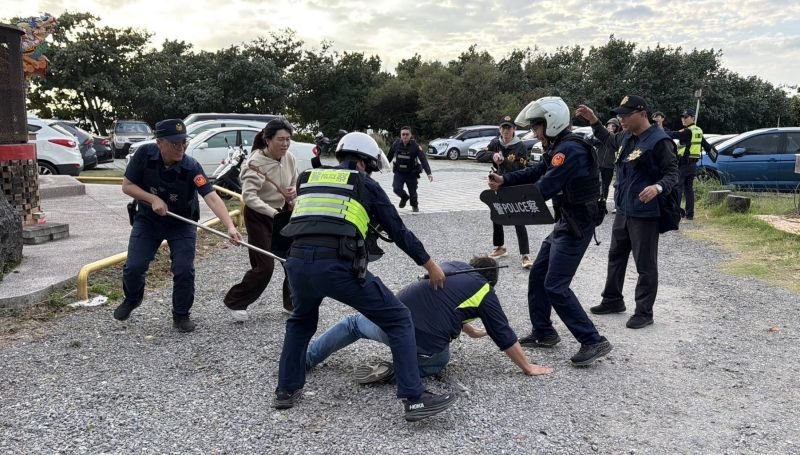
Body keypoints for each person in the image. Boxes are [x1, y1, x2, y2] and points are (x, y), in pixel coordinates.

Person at [274, 132, 457, 422]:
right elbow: (397, 231)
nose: (370, 172)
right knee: (398, 318)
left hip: (296, 264)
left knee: (301, 321)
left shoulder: (308, 179)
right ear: (361, 162)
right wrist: (429, 264)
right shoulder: (363, 183)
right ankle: (414, 397)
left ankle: (285, 390)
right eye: (370, 166)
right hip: (336, 267)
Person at [487, 97, 612, 367]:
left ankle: (592, 340)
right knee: (539, 275)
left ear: (551, 123)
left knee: (555, 286)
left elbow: (544, 186)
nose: (534, 132)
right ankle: (544, 332)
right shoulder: (559, 146)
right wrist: (505, 180)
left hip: (577, 224)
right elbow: (538, 171)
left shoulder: (570, 151)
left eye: (537, 127)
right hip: (565, 221)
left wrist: (507, 199)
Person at [306, 257, 553, 381]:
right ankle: (396, 370)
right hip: (421, 344)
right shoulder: (485, 291)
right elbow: (504, 334)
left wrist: (471, 330)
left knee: (352, 323)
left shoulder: (451, 266)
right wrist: (527, 367)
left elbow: (445, 303)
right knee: (440, 360)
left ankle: (305, 358)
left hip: (391, 322)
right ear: (491, 281)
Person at [114, 119, 243, 332]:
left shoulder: (191, 167)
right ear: (159, 142)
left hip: (181, 223)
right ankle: (132, 298)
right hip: (148, 220)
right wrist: (152, 199)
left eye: (184, 142)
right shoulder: (144, 155)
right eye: (175, 144)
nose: (181, 148)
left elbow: (211, 196)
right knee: (134, 266)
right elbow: (127, 186)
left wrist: (229, 225)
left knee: (184, 269)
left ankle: (181, 315)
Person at [576, 95, 679, 329]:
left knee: (645, 264)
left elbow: (673, 173)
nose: (621, 119)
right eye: (620, 115)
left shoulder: (659, 140)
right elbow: (608, 140)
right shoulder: (628, 136)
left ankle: (644, 311)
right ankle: (612, 300)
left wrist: (658, 187)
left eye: (626, 115)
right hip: (623, 209)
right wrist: (593, 120)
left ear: (642, 114)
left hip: (645, 213)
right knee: (616, 255)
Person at [223, 119, 298, 321]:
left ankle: (292, 303)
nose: (285, 144)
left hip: (282, 213)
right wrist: (271, 213)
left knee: (293, 260)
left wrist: (293, 192)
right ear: (267, 140)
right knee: (265, 266)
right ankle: (235, 301)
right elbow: (249, 197)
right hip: (259, 216)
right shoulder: (254, 164)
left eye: (288, 139)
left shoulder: (289, 157)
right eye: (280, 139)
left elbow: (293, 182)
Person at [476, 116, 533, 268]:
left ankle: (525, 255)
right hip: (497, 186)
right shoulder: (496, 142)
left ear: (514, 130)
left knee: (518, 219)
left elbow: (522, 169)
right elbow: (479, 156)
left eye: (509, 128)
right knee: (496, 214)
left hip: (514, 185)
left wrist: (505, 161)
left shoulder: (520, 146)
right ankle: (499, 247)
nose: (506, 132)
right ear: (500, 130)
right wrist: (493, 156)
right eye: (503, 128)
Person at [666, 109, 714, 221]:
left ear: (693, 118)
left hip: (684, 164)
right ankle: (690, 214)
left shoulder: (688, 131)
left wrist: (659, 131)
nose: (683, 119)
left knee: (678, 188)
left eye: (686, 117)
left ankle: (676, 213)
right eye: (682, 117)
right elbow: (706, 145)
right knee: (688, 189)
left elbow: (674, 134)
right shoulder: (698, 131)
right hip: (693, 165)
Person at [386, 126, 432, 212]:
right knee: (396, 189)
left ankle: (414, 205)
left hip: (411, 173)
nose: (405, 136)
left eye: (407, 134)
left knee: (413, 193)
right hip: (399, 172)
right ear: (401, 135)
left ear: (410, 135)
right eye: (403, 134)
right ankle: (404, 197)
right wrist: (381, 166)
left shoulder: (415, 146)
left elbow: (423, 159)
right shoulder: (396, 144)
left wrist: (428, 173)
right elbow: (389, 157)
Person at [597, 118, 621, 208]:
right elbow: (596, 143)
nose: (611, 127)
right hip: (598, 164)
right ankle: (596, 202)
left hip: (609, 166)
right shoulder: (601, 136)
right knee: (597, 184)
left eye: (613, 126)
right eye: (609, 125)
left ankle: (603, 202)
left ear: (617, 128)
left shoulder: (617, 138)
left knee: (606, 185)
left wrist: (610, 134)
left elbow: (617, 148)